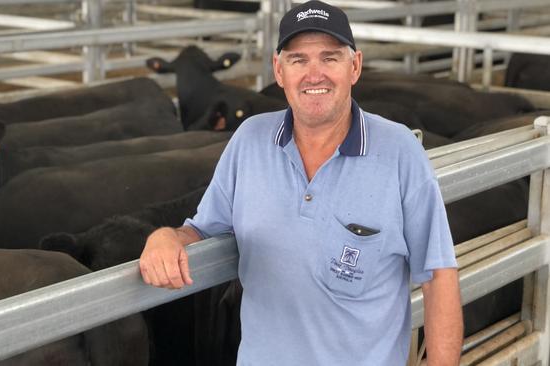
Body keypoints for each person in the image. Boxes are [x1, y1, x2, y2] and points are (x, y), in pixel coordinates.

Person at [139, 1, 463, 365]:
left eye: (330, 58)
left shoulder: (400, 152)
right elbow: (201, 230)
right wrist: (166, 237)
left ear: (354, 65)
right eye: (298, 60)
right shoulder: (249, 140)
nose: (314, 74)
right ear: (279, 70)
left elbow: (438, 276)